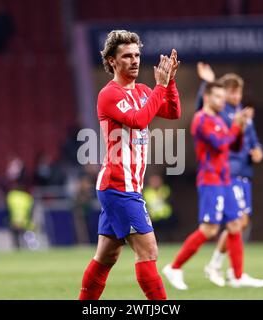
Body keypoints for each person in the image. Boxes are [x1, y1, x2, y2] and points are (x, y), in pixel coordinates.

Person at [79, 30, 181, 300]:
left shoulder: (144, 91)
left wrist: (168, 83)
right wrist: (160, 88)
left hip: (125, 187)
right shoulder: (108, 94)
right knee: (148, 252)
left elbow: (173, 111)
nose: (135, 60)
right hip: (118, 186)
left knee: (106, 257)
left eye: (137, 55)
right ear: (112, 61)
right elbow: (138, 120)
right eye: (127, 56)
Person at [163, 81, 263, 289]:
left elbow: (233, 146)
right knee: (209, 230)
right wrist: (236, 125)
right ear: (208, 98)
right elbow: (220, 144)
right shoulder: (201, 120)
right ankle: (174, 267)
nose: (222, 100)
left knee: (236, 225)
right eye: (218, 97)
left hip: (225, 178)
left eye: (223, 96)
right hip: (210, 180)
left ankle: (237, 276)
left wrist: (241, 127)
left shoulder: (219, 119)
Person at [195, 63, 263, 287]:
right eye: (232, 91)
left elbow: (254, 142)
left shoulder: (244, 114)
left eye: (239, 91)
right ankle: (224, 269)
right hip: (229, 173)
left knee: (239, 223)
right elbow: (201, 108)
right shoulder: (220, 112)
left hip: (245, 174)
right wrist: (207, 82)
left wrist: (258, 151)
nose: (236, 95)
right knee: (238, 222)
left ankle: (225, 269)